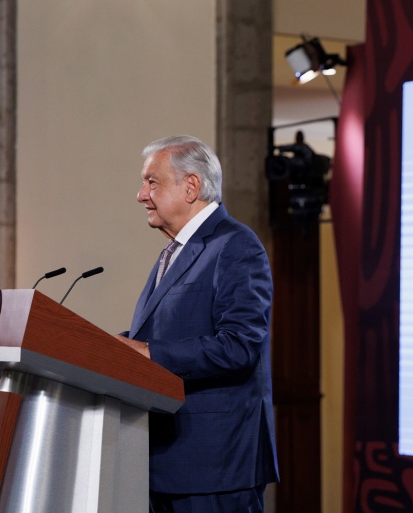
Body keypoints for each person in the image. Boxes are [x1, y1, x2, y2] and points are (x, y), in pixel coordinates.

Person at [115, 135, 279, 512]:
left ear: (191, 186)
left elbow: (240, 346)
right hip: (164, 461)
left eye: (151, 182)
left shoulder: (236, 245)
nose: (141, 195)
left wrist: (147, 352)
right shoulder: (171, 253)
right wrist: (114, 347)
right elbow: (162, 335)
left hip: (215, 466)